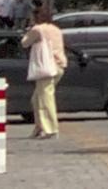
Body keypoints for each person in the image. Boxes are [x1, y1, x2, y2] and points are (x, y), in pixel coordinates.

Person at [23, 8, 67, 136]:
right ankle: (40, 126)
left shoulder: (38, 29)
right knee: (36, 99)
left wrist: (29, 30)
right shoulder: (56, 29)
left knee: (45, 98)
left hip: (46, 67)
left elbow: (25, 43)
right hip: (59, 66)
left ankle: (50, 129)